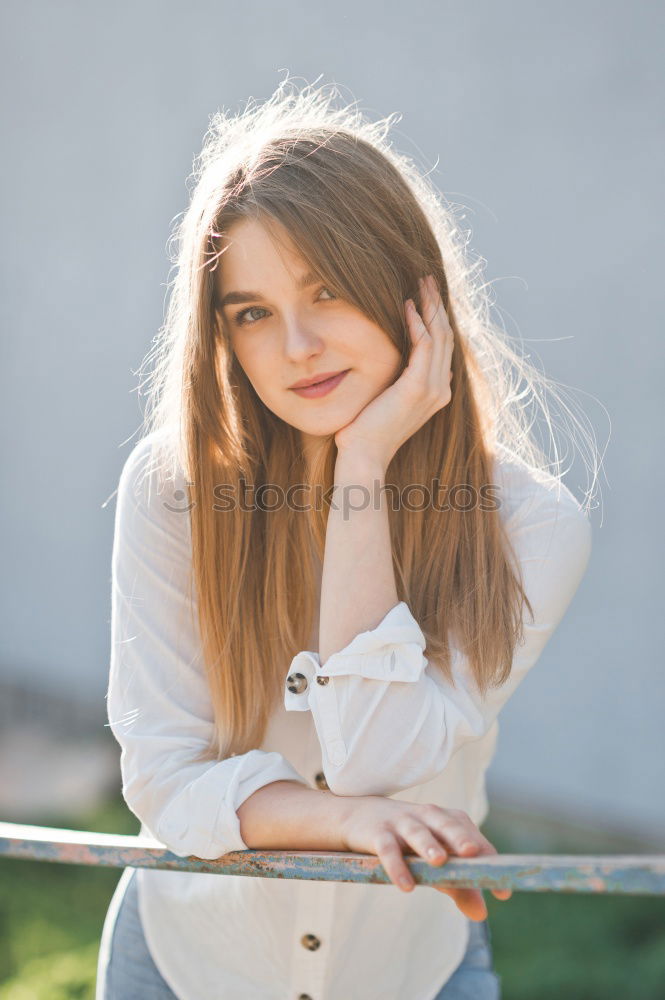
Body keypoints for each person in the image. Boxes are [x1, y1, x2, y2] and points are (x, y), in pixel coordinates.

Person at [96, 76, 596, 1000]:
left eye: (326, 291)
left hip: (409, 968)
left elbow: (372, 752)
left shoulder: (533, 526)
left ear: (414, 291)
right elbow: (165, 779)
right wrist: (348, 822)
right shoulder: (175, 490)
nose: (295, 347)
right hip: (186, 962)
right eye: (251, 312)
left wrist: (361, 469)